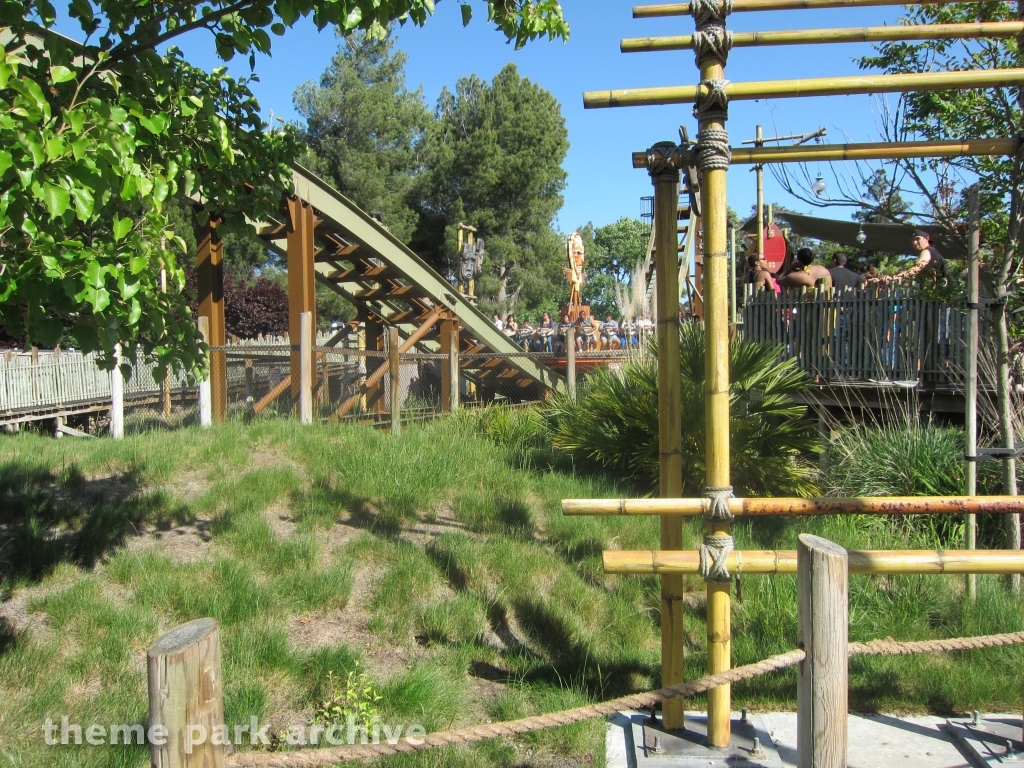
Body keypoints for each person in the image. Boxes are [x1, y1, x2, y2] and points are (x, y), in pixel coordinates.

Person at [874, 229, 946, 284]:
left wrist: (893, 278)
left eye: (917, 239)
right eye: (913, 240)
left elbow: (915, 269)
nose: (915, 242)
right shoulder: (934, 252)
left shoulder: (926, 251)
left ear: (927, 239)